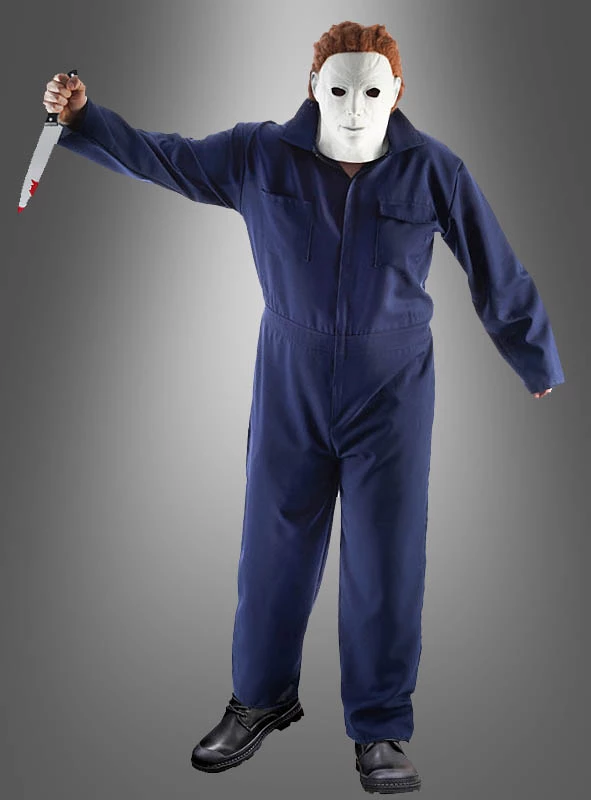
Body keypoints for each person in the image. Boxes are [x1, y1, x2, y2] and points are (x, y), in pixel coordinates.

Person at [45, 20, 564, 794]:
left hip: (392, 389)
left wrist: (533, 354)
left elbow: (494, 263)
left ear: (399, 92)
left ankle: (380, 727)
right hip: (290, 374)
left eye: (373, 91)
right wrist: (83, 119)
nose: (355, 108)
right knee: (272, 543)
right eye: (339, 89)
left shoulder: (433, 169)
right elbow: (166, 157)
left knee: (386, 555)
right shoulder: (259, 154)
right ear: (312, 87)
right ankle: (259, 699)